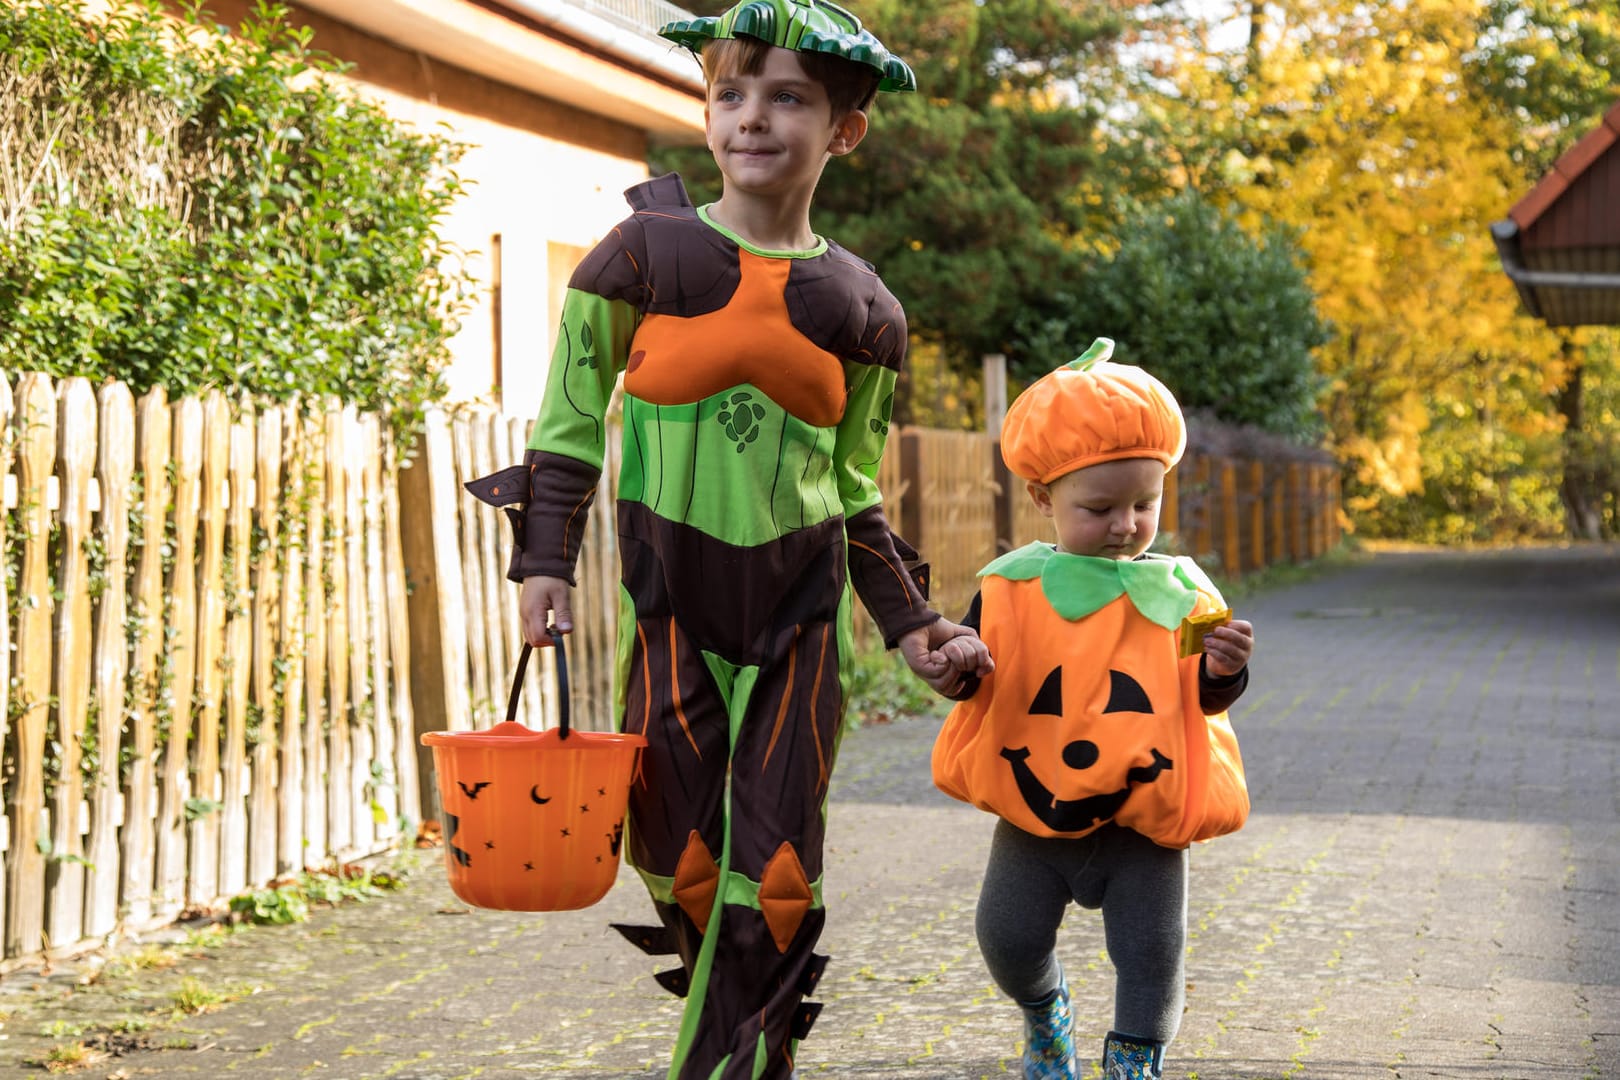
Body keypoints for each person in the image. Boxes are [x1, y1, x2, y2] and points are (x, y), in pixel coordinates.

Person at [468, 3, 990, 1078]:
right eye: (731, 92)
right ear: (707, 111)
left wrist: (913, 627)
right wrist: (543, 563)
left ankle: (739, 1067)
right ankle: (748, 1039)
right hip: (669, 621)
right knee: (682, 865)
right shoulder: (639, 256)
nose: (752, 117)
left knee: (781, 875)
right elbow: (565, 432)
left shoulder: (867, 310)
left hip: (801, 630)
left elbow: (855, 491)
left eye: (788, 95)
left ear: (845, 128)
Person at [929, 338, 1254, 1080]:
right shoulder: (1009, 591)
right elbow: (982, 681)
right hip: (1036, 812)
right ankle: (1046, 1013)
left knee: (1151, 954)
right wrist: (957, 669)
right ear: (1044, 498)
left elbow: (1199, 701)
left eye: (1146, 503)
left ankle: (1134, 1064)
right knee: (1007, 938)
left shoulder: (1185, 597)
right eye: (1098, 507)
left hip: (1143, 817)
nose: (1125, 524)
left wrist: (1224, 671)